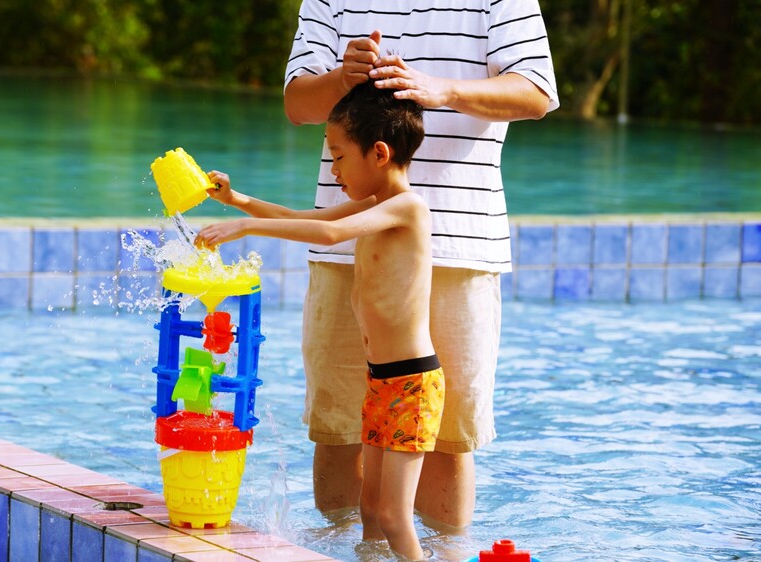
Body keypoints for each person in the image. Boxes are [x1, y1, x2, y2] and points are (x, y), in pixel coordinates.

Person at [283, 1, 560, 529]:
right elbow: (298, 103)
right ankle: (344, 550)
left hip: (459, 245)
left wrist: (444, 90)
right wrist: (342, 77)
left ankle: (444, 553)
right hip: (348, 248)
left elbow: (536, 91)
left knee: (446, 437)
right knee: (339, 429)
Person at [196, 83, 438, 560]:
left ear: (380, 153)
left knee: (393, 515)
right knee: (370, 510)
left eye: (339, 156)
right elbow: (298, 216)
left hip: (413, 384)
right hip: (382, 381)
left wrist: (246, 228)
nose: (334, 170)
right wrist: (237, 201)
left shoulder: (408, 207)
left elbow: (327, 234)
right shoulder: (373, 207)